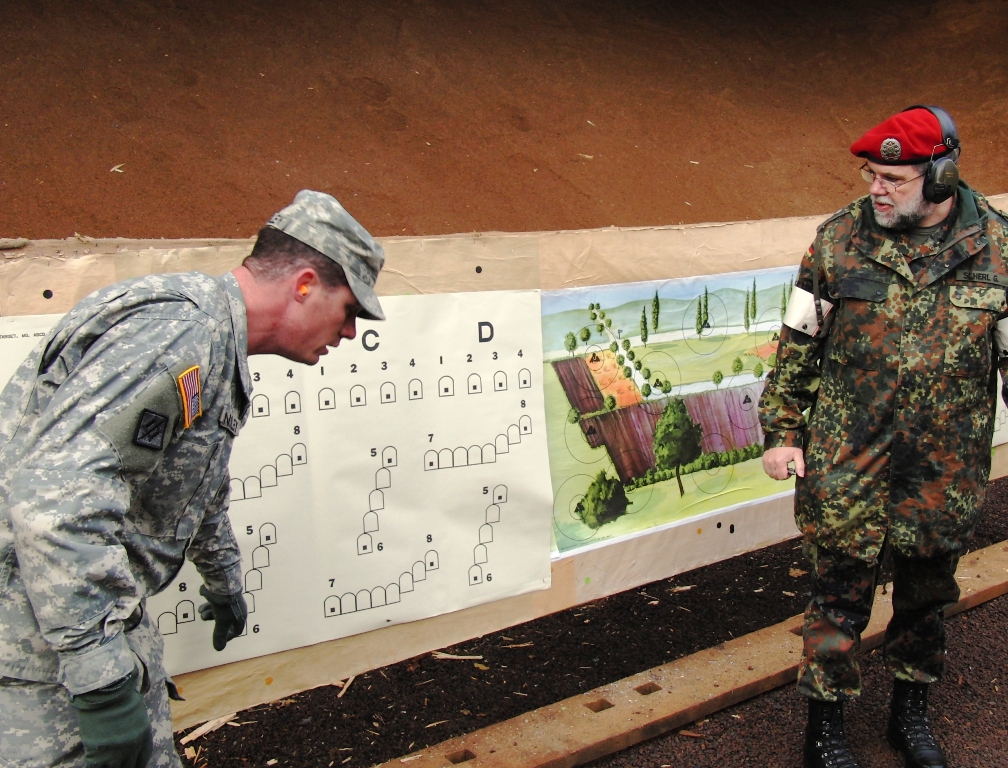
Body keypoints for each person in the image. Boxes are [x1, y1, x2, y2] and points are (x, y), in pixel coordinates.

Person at [0, 190, 386, 768]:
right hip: (40, 655)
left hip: (91, 627)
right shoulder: (180, 333)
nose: (350, 331)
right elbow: (55, 504)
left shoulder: (214, 343)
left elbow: (192, 484)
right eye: (350, 309)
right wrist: (101, 685)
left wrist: (222, 577)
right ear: (305, 284)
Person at [759, 106, 1008, 768]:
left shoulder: (998, 247)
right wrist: (783, 431)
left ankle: (909, 715)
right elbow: (798, 344)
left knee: (926, 600)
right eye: (872, 174)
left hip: (943, 470)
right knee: (836, 600)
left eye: (893, 179)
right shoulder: (838, 240)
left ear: (942, 175)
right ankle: (825, 730)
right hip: (848, 463)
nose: (877, 189)